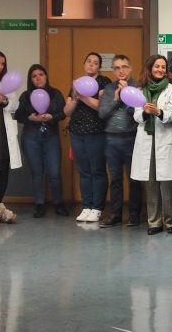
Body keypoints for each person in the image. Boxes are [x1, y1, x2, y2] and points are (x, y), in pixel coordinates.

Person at [131, 54, 172, 235]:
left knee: (168, 184)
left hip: (165, 139)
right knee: (151, 183)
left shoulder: (171, 89)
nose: (160, 70)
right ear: (150, 68)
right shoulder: (140, 90)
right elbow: (136, 116)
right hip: (147, 140)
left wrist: (159, 111)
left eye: (163, 67)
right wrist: (146, 113)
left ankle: (171, 221)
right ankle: (154, 222)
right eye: (157, 66)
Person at [15, 64, 68, 218]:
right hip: (31, 137)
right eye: (34, 76)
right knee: (37, 172)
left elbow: (63, 113)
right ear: (30, 79)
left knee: (54, 172)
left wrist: (52, 117)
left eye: (41, 74)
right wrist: (30, 118)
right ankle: (39, 204)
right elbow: (18, 115)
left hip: (51, 136)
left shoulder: (56, 93)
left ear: (46, 76)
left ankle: (59, 203)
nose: (38, 78)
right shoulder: (25, 95)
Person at [64, 52, 111, 223]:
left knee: (97, 170)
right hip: (76, 132)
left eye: (95, 62)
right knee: (83, 172)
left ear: (99, 66)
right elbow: (66, 111)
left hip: (96, 133)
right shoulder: (77, 83)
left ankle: (97, 208)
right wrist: (76, 97)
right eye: (89, 61)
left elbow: (101, 106)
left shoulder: (104, 82)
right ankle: (86, 206)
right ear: (84, 64)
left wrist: (83, 96)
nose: (91, 64)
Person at [98, 55, 142, 228]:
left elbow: (138, 115)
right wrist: (116, 99)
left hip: (131, 138)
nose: (121, 70)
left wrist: (127, 96)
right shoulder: (108, 89)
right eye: (117, 68)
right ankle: (115, 215)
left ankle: (134, 215)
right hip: (111, 140)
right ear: (113, 70)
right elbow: (102, 114)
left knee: (134, 179)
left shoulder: (138, 87)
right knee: (115, 179)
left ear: (130, 68)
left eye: (124, 67)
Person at [0, 50, 21, 220]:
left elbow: (15, 105)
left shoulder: (6, 83)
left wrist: (5, 101)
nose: (0, 67)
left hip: (4, 135)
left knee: (3, 171)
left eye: (2, 64)